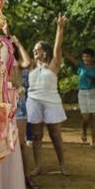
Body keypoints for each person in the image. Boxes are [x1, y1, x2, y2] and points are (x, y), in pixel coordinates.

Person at [22, 14, 69, 177]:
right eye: (34, 49)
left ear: (45, 51)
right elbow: (21, 54)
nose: (35, 50)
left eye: (38, 48)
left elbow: (58, 46)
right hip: (33, 101)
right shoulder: (31, 64)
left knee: (55, 134)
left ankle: (63, 165)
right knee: (36, 135)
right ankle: (37, 166)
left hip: (52, 102)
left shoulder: (54, 64)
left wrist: (60, 27)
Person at [11, 35, 39, 189]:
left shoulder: (18, 63)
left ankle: (26, 176)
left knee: (21, 144)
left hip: (19, 105)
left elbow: (28, 62)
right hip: (3, 104)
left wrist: (17, 42)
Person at [63, 48, 95, 146]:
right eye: (84, 56)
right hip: (83, 93)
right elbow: (70, 58)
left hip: (94, 92)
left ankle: (93, 140)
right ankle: (84, 130)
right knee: (86, 118)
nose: (85, 58)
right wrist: (61, 48)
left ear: (92, 58)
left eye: (87, 56)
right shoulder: (81, 66)